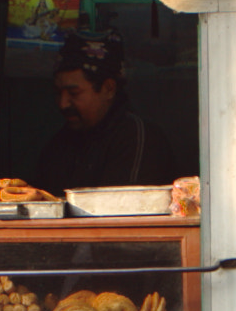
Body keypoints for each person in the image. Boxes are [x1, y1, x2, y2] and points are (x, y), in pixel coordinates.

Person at [34, 32, 178, 195]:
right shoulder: (59, 145)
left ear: (108, 89)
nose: (63, 103)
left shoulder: (138, 138)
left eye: (74, 93)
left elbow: (125, 211)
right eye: (58, 93)